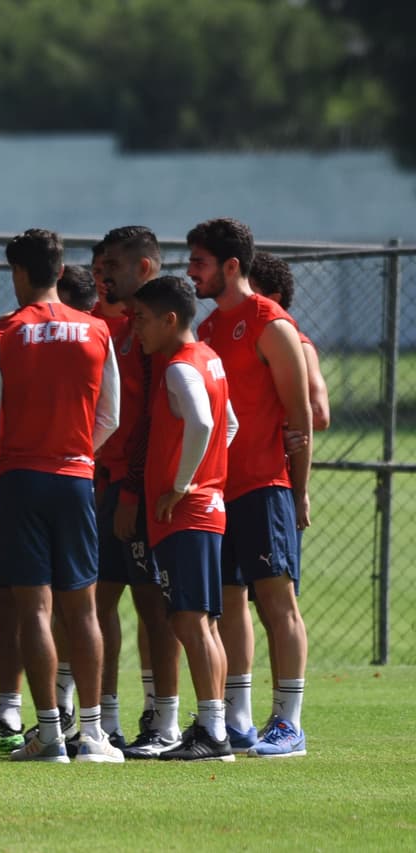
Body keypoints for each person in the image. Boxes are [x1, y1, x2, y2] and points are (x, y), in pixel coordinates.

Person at [0, 228, 121, 763]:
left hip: (18, 481)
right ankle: (96, 736)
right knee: (83, 608)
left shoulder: (0, 333)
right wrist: (78, 451)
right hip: (76, 477)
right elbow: (111, 417)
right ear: (61, 272)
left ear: (18, 273)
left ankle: (51, 734)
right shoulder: (96, 330)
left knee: (33, 608)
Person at [190, 217, 313, 758]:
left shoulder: (271, 323)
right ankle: (237, 716)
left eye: (200, 262)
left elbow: (301, 417)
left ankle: (289, 721)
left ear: (231, 266)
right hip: (220, 490)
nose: (191, 272)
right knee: (229, 602)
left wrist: (297, 490)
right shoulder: (211, 329)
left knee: (277, 601)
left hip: (265, 487)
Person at [132, 275, 239, 761]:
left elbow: (205, 423)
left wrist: (181, 484)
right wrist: (209, 473)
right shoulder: (210, 359)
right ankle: (213, 727)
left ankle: (213, 733)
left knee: (191, 622)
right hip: (206, 509)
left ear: (170, 319)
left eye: (143, 319)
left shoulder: (178, 367)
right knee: (203, 623)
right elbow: (229, 425)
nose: (137, 330)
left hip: (187, 513)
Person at [96, 226, 182, 759]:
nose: (104, 275)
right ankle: (105, 719)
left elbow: (149, 419)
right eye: (102, 267)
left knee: (155, 607)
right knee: (98, 601)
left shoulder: (154, 333)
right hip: (107, 486)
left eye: (115, 267)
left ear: (144, 269)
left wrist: (131, 489)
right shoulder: (122, 326)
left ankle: (164, 718)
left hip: (142, 492)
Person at [248, 251, 331, 431]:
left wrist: (280, 423)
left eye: (249, 293)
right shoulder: (226, 336)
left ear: (273, 300)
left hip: (273, 456)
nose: (241, 301)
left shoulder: (300, 346)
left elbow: (319, 416)